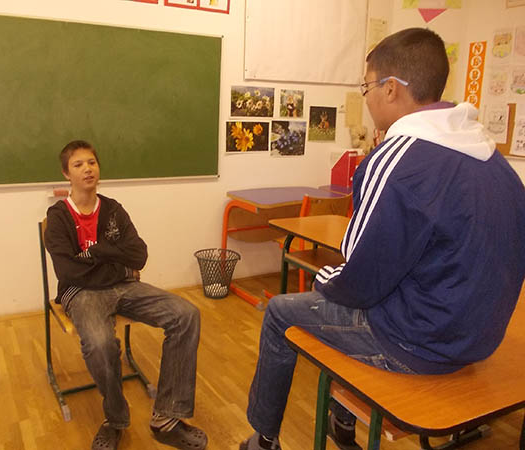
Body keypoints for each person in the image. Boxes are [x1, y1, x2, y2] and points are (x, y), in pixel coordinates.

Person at [239, 27, 525, 450]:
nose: (367, 98)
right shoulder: (492, 158)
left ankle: (262, 440)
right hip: (480, 338)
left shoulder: (396, 158)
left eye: (366, 87)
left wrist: (321, 279)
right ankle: (341, 422)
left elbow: (358, 281)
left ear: (391, 88)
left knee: (283, 311)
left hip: (416, 344)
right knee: (360, 299)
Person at [44, 140, 207, 450]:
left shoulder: (113, 209)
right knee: (100, 344)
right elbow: (69, 272)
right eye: (78, 164)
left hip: (124, 285)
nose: (87, 169)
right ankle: (115, 419)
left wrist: (95, 253)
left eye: (92, 162)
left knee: (186, 315)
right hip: (81, 292)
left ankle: (166, 418)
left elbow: (139, 255)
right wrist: (116, 262)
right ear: (66, 173)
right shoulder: (59, 217)